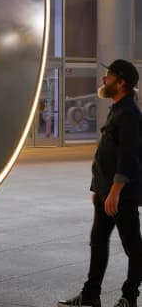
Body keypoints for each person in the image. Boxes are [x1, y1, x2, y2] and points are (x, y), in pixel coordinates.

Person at [57, 59, 142, 307]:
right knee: (98, 240)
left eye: (109, 76)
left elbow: (129, 157)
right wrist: (98, 189)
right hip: (106, 193)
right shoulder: (117, 108)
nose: (104, 80)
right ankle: (91, 295)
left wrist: (115, 191)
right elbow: (108, 153)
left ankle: (129, 297)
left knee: (133, 248)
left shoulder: (129, 114)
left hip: (121, 195)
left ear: (121, 81)